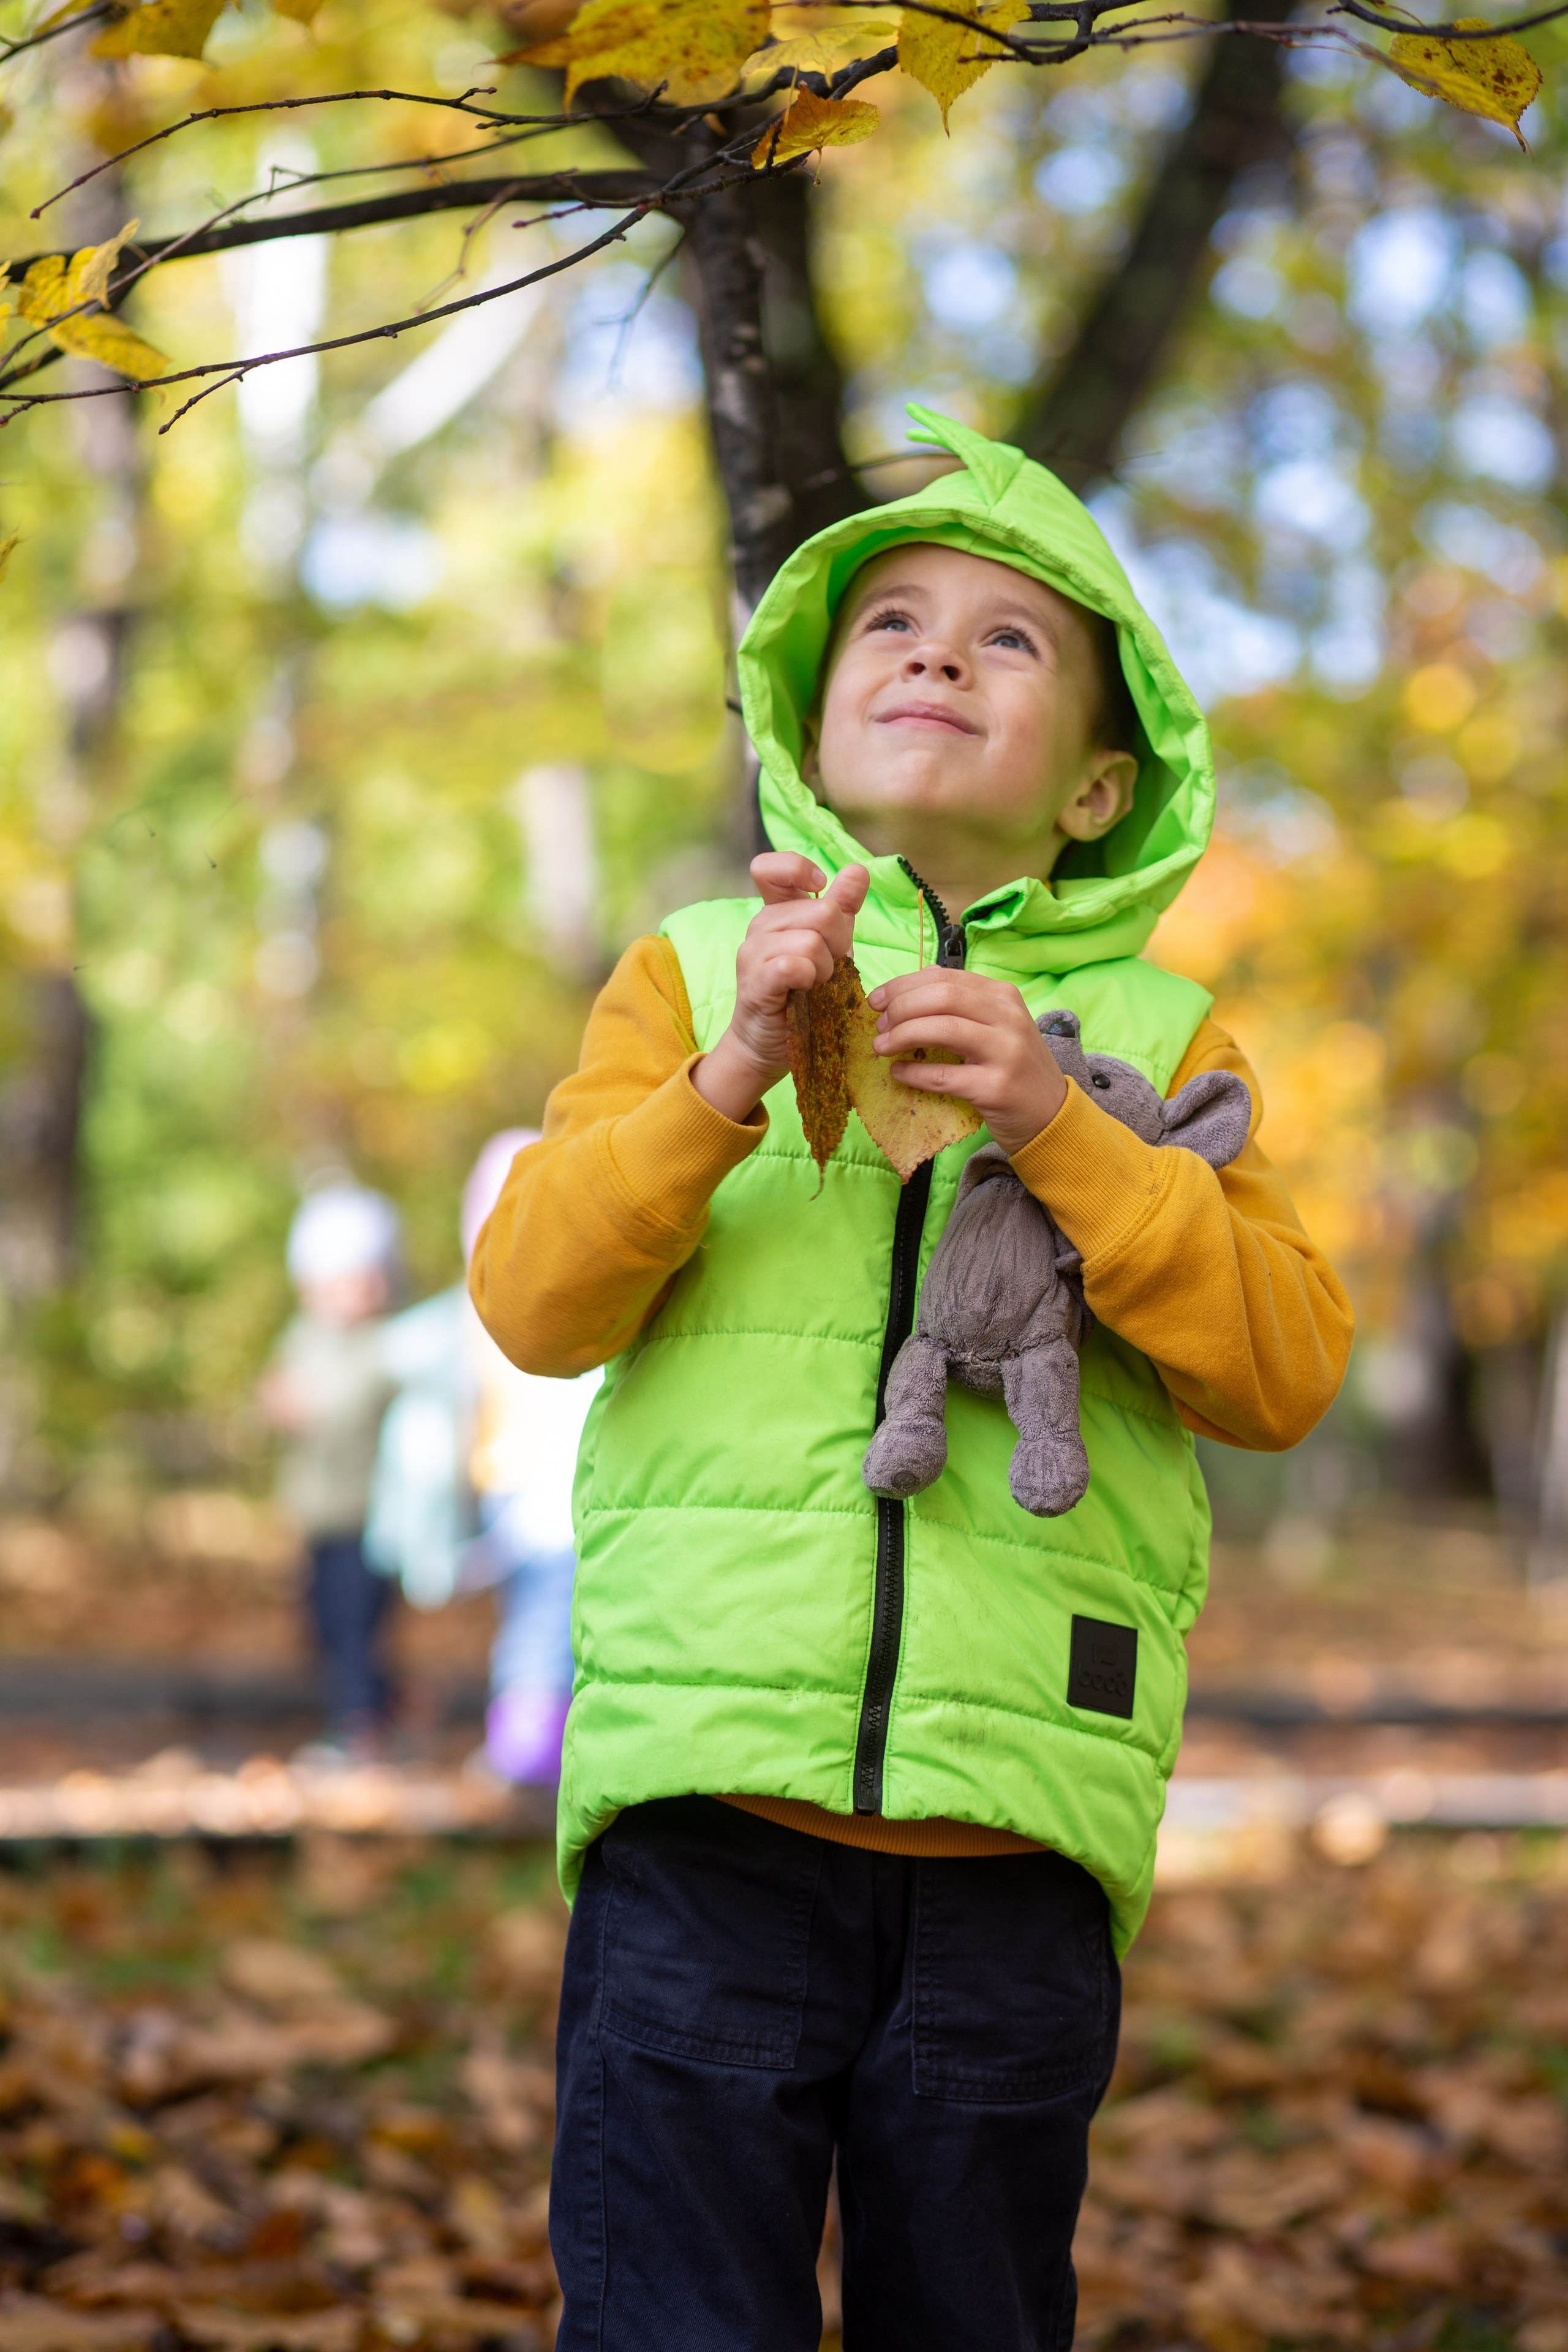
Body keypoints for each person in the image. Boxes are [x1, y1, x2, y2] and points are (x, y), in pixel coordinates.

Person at [470, 407, 1354, 2350]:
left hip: (1012, 1830)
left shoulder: (1157, 1037)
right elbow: (532, 1299)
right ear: (812, 710)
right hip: (706, 1814)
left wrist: (1065, 1126)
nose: (935, 651)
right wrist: (720, 1085)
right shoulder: (693, 971)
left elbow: (1280, 1366)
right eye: (888, 620)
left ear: (1099, 789)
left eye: (1005, 637)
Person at [363, 1131, 600, 1783]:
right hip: (514, 1490)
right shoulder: (485, 1313)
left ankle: (529, 1748)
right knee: (539, 1616)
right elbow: (415, 1355)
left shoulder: (575, 1307)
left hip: (561, 1495)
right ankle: (537, 1740)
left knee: (548, 1622)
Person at [260, 1183, 401, 1763]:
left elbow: (352, 1406)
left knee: (354, 1626)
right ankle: (389, 1705)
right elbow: (279, 1391)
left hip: (368, 1516)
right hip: (319, 1515)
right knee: (321, 1623)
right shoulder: (303, 1338)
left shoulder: (386, 1346)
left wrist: (308, 1406)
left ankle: (359, 1724)